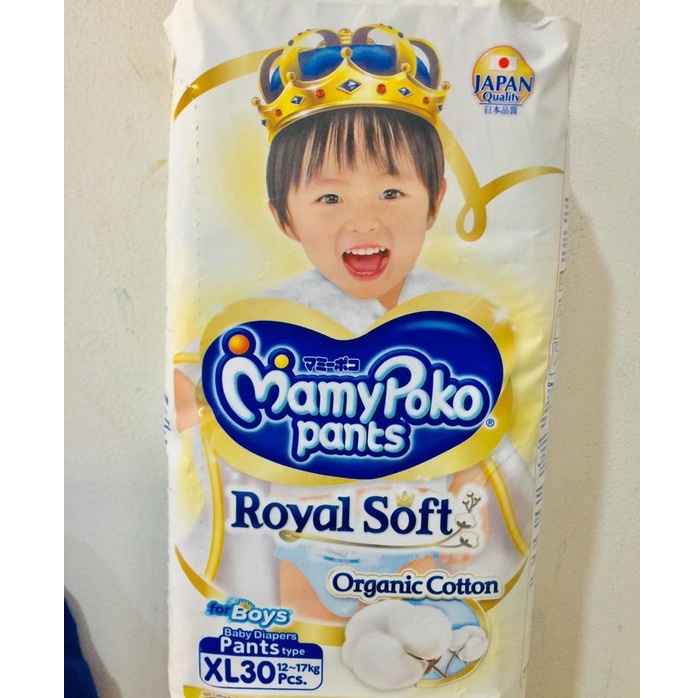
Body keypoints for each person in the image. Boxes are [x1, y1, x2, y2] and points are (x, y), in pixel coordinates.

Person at [173, 25, 533, 624]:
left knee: (426, 633)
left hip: (426, 558)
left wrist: (464, 499)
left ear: (436, 199)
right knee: (304, 623)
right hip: (300, 551)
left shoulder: (459, 319)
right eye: (329, 198)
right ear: (284, 218)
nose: (364, 222)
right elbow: (193, 383)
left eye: (391, 192)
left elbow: (491, 445)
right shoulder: (271, 321)